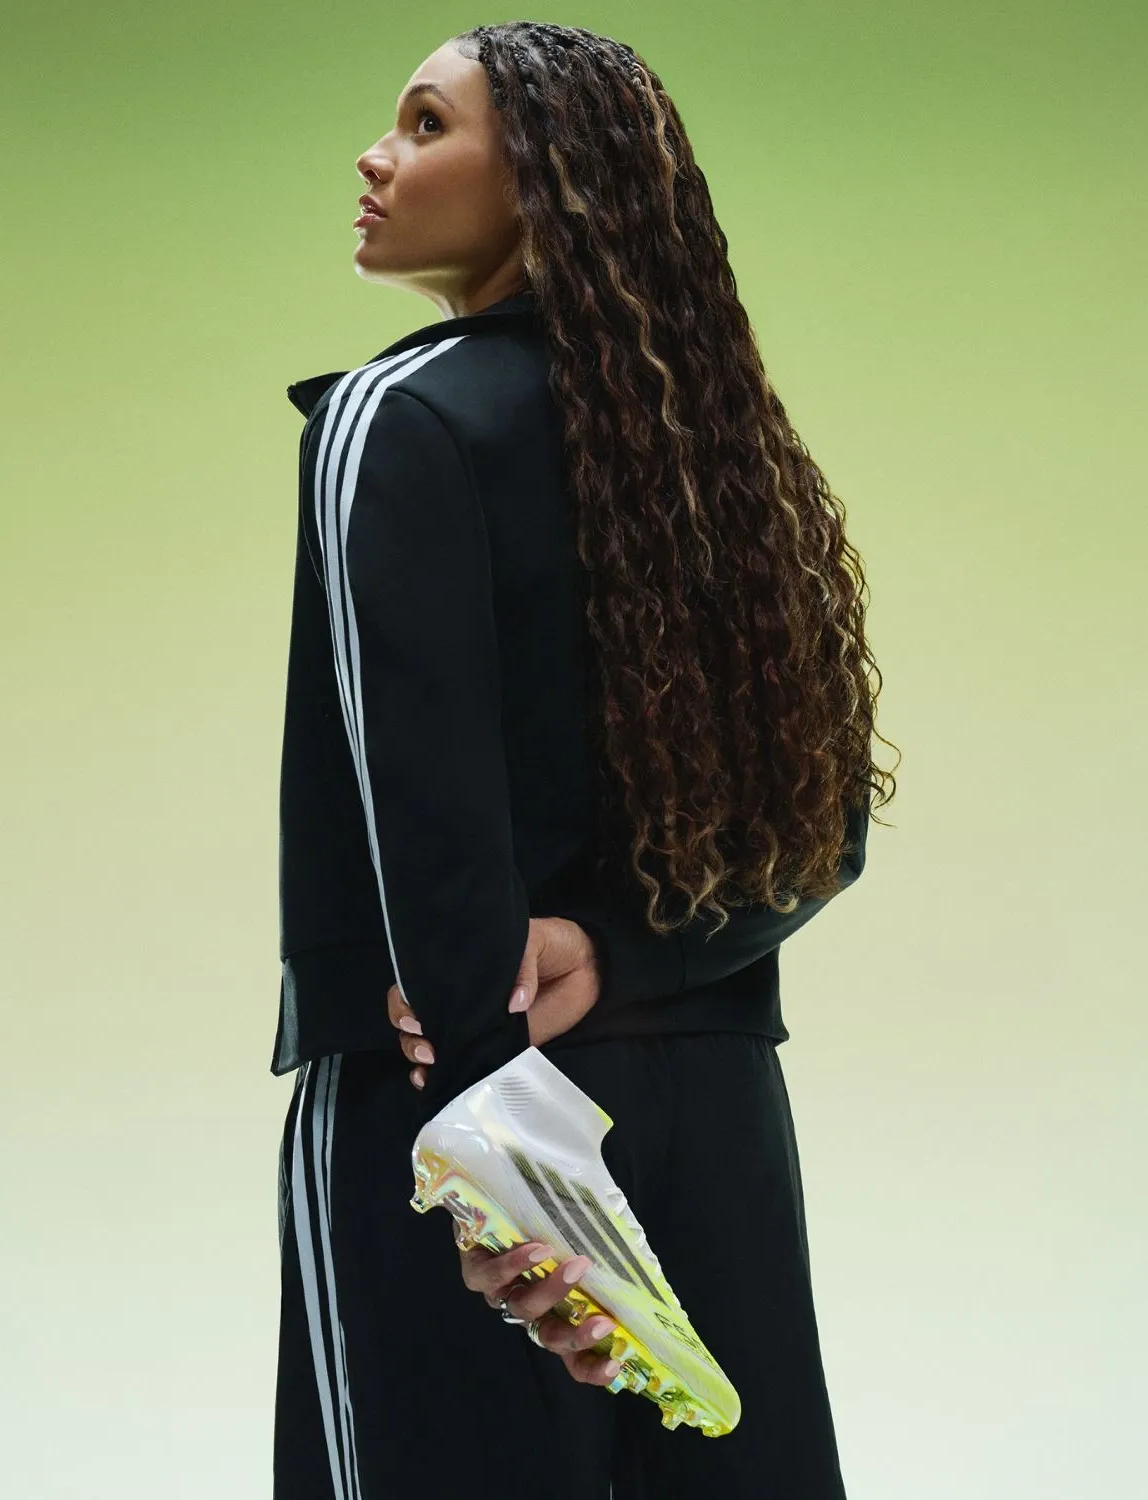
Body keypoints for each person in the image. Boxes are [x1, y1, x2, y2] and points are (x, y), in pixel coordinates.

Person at [271, 20, 898, 1500]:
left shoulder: (393, 418)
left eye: (427, 124)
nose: (376, 156)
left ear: (542, 180)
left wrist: (503, 1158)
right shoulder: (704, 446)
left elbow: (422, 811)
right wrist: (618, 951)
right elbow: (821, 827)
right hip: (711, 1108)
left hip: (462, 1099)